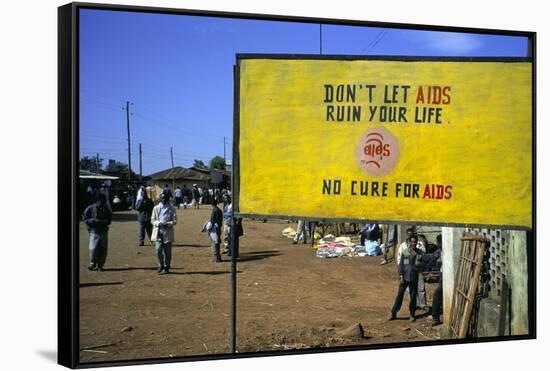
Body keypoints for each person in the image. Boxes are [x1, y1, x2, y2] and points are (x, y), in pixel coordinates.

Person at [389, 235, 422, 322]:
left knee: (413, 297)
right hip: (404, 278)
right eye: (412, 242)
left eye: (415, 242)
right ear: (409, 242)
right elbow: (401, 265)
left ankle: (412, 314)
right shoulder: (405, 252)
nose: (413, 243)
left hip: (414, 278)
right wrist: (401, 275)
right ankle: (394, 312)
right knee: (399, 296)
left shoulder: (419, 253)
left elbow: (423, 263)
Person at [82, 192, 112, 271]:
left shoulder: (106, 209)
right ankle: (93, 263)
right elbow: (85, 219)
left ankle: (100, 265)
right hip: (93, 232)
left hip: (103, 231)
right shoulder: (90, 208)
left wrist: (103, 222)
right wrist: (94, 221)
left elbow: (109, 220)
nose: (102, 202)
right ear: (97, 200)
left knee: (103, 249)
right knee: (93, 249)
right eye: (101, 200)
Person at [151, 192, 177, 274]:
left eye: (165, 198)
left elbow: (175, 221)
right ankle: (160, 265)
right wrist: (158, 223)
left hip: (168, 231)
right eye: (162, 198)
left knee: (168, 252)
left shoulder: (172, 208)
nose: (164, 200)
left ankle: (167, 266)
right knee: (158, 250)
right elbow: (152, 219)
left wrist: (168, 224)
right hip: (158, 231)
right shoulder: (156, 208)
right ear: (160, 199)